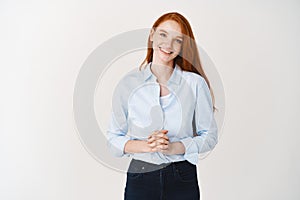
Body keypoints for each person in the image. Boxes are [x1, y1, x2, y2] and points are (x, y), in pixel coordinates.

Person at [107, 12, 218, 200]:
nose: (168, 45)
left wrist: (176, 147)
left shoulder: (195, 84)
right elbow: (113, 140)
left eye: (178, 40)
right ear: (152, 35)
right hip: (140, 176)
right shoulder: (128, 84)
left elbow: (210, 136)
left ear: (183, 46)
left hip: (182, 177)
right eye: (163, 35)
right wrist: (147, 146)